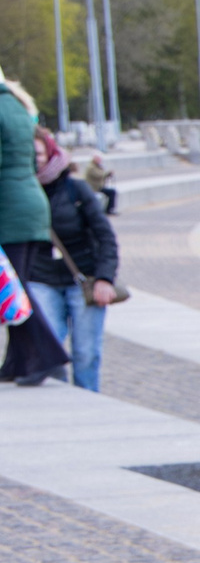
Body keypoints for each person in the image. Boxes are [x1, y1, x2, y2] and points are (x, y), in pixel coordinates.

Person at [29, 130, 120, 393]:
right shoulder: (19, 193)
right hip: (41, 278)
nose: (35, 161)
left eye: (39, 154)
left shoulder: (75, 189)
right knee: (49, 348)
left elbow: (105, 237)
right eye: (29, 155)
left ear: (51, 154)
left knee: (85, 353)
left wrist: (104, 278)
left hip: (82, 279)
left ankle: (88, 401)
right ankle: (57, 407)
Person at [0, 74, 66, 386]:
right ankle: (18, 363)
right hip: (28, 203)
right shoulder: (14, 104)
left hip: (9, 208)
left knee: (13, 290)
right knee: (17, 283)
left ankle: (47, 356)